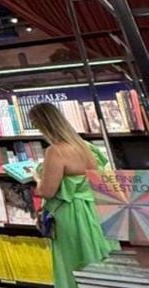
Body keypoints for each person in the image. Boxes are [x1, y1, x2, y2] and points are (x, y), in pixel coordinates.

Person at [29, 102, 118, 288]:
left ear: (44, 125)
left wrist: (37, 178)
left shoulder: (56, 151)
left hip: (71, 214)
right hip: (95, 210)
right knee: (101, 263)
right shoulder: (87, 147)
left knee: (74, 263)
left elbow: (47, 191)